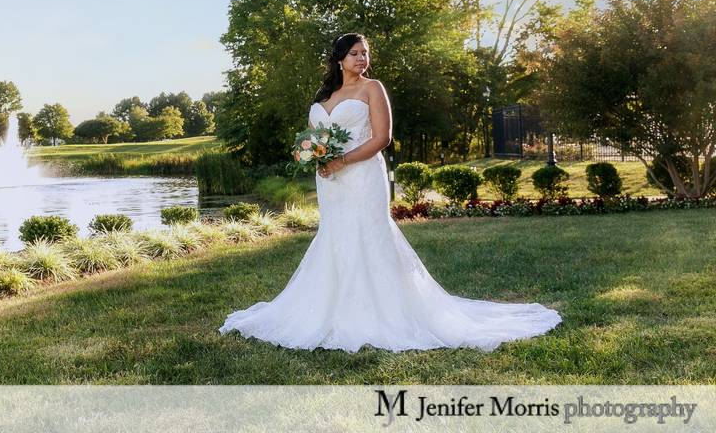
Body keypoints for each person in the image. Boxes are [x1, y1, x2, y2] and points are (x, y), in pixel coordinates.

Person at [218, 33, 562, 352]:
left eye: (365, 53)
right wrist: (313, 156)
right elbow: (315, 138)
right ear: (339, 59)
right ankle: (332, 308)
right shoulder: (324, 97)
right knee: (336, 236)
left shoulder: (373, 89)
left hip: (363, 174)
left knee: (369, 235)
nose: (361, 59)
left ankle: (384, 312)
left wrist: (343, 161)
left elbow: (381, 137)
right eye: (354, 54)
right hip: (331, 182)